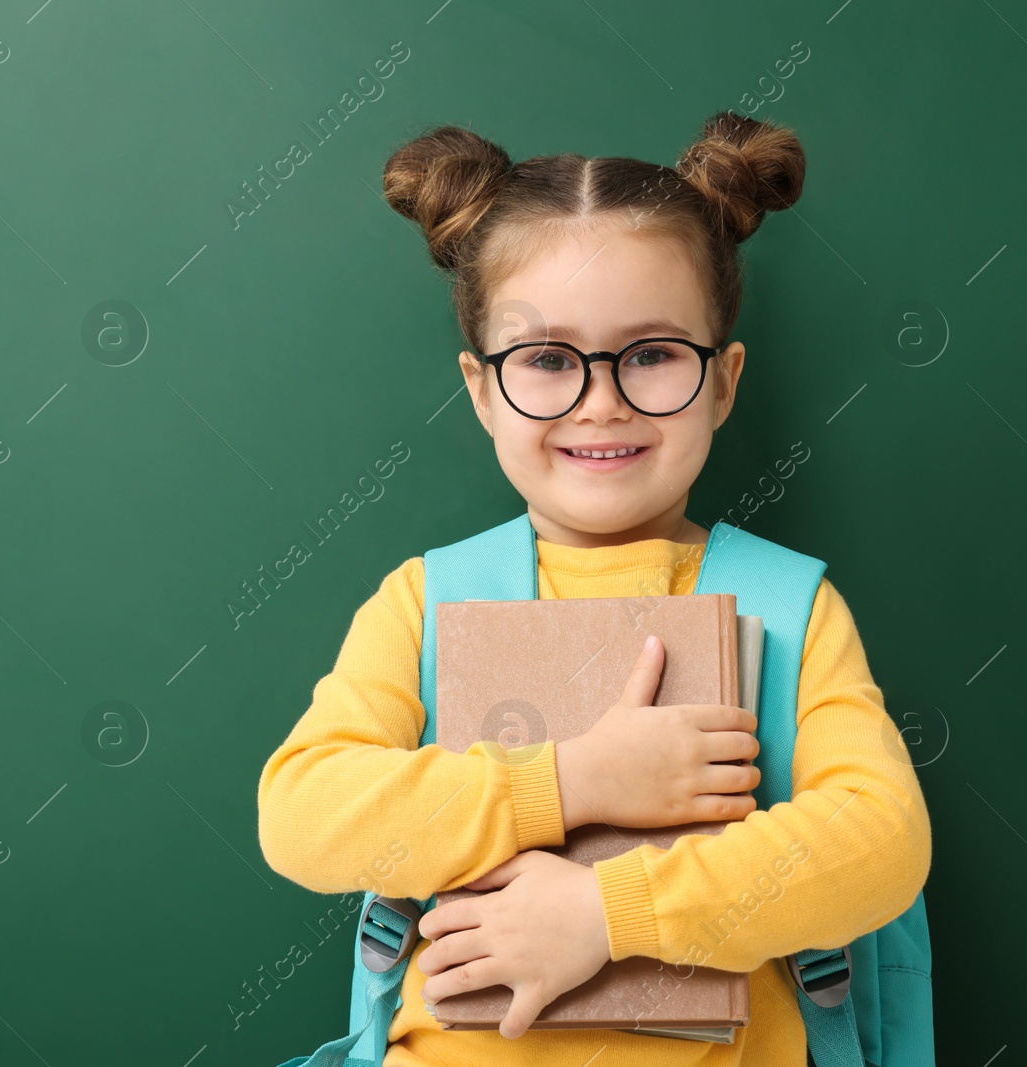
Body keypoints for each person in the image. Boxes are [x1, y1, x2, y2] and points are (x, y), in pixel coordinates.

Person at [256, 111, 932, 1066]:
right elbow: (303, 816)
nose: (600, 399)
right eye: (546, 360)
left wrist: (607, 913)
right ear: (483, 389)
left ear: (724, 382)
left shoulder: (788, 611)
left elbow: (881, 842)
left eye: (653, 353)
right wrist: (577, 780)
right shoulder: (425, 602)